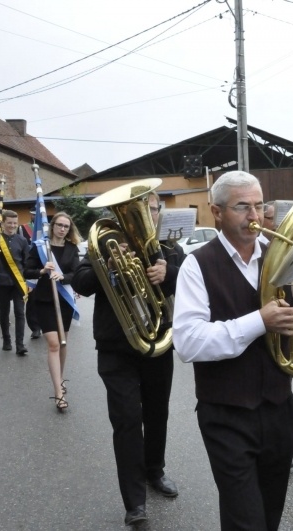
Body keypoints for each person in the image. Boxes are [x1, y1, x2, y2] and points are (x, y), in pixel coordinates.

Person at [172, 171, 293, 531]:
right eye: (242, 207)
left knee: (270, 514)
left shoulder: (284, 253)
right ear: (217, 212)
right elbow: (188, 341)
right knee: (245, 521)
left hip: (278, 408)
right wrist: (259, 321)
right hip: (225, 412)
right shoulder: (197, 265)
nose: (254, 216)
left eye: (259, 206)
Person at [72, 190, 183, 527]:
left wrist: (170, 273)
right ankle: (134, 500)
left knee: (157, 413)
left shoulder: (168, 251)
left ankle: (155, 472)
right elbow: (81, 282)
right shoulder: (104, 245)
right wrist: (106, 267)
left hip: (157, 344)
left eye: (151, 210)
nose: (146, 217)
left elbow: (192, 281)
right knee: (127, 421)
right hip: (116, 348)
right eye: (141, 211)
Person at [24, 212, 80, 412]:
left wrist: (62, 276)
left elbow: (76, 273)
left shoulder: (72, 249)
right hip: (45, 300)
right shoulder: (40, 247)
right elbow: (27, 271)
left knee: (63, 343)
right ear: (52, 226)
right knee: (54, 344)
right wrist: (41, 271)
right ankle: (58, 392)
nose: (63, 229)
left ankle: (60, 378)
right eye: (60, 225)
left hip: (63, 300)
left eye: (66, 226)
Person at [0, 210, 30, 355]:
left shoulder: (22, 240)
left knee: (20, 313)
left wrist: (28, 281)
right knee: (4, 313)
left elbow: (27, 262)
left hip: (18, 282)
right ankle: (6, 340)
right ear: (3, 223)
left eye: (15, 223)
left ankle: (20, 344)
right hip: (2, 281)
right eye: (9, 223)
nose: (12, 226)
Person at [21, 205, 42, 339]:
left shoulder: (47, 228)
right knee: (32, 299)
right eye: (33, 214)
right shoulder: (22, 228)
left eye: (37, 214)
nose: (35, 217)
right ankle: (35, 327)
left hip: (46, 265)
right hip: (31, 265)